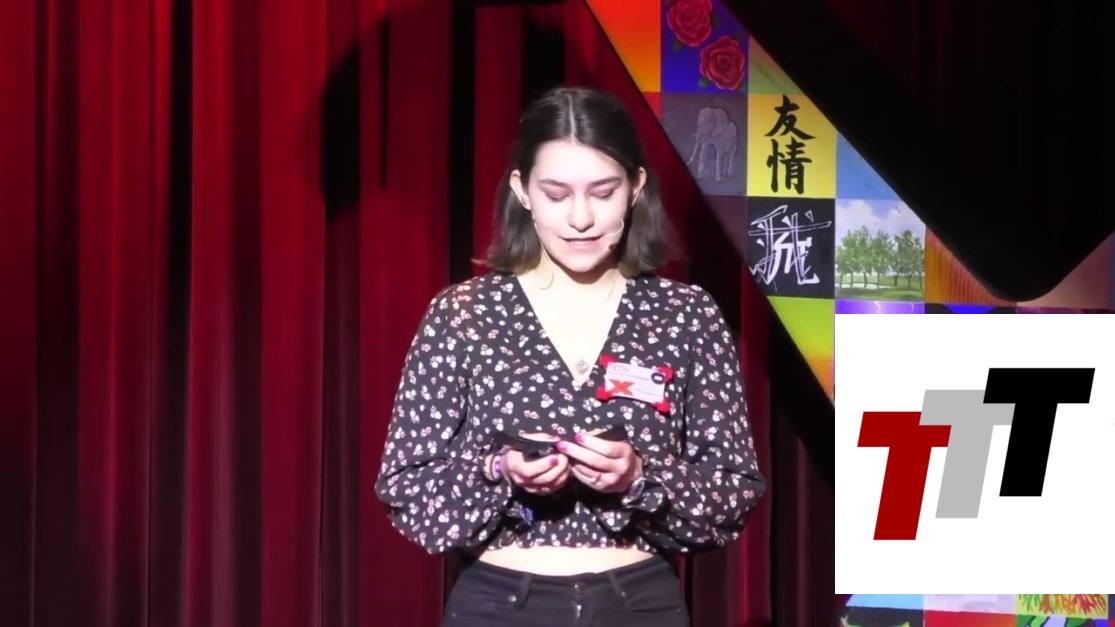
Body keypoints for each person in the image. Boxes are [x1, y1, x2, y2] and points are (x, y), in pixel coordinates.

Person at [375, 85, 766, 627]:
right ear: (523, 191)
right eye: (556, 194)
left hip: (639, 605)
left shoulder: (685, 314)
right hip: (499, 606)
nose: (580, 218)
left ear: (635, 188)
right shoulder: (465, 314)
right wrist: (498, 469)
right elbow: (406, 489)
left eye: (603, 193)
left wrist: (639, 476)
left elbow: (732, 491)